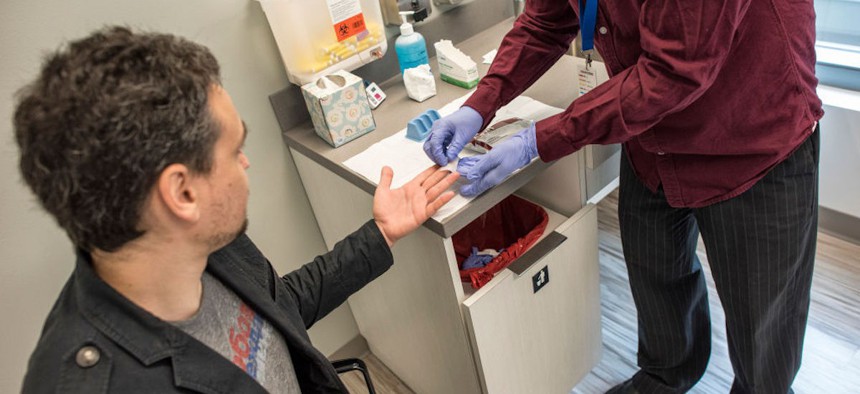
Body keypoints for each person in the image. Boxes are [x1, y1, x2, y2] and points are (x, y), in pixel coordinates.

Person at [15, 26, 459, 393]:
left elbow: (277, 309)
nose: (245, 162)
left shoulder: (207, 245)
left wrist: (381, 233)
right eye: (235, 149)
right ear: (182, 194)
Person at [424, 0, 822, 392]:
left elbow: (673, 72)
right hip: (652, 140)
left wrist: (540, 139)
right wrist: (481, 103)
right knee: (657, 275)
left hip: (749, 137)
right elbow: (545, 21)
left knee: (763, 321)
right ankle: (666, 377)